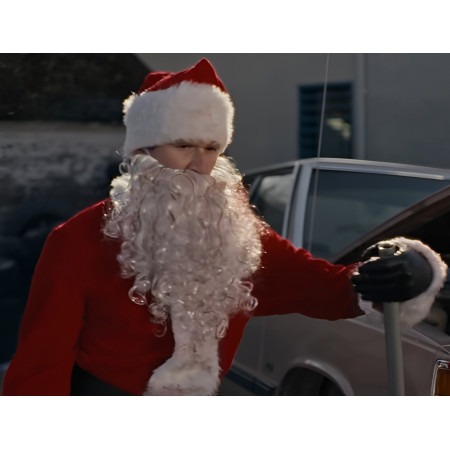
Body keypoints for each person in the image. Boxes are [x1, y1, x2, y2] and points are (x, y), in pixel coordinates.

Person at [2, 58, 447, 396]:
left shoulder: (236, 234)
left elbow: (326, 288)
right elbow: (41, 361)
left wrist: (405, 271)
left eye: (212, 147)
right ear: (143, 149)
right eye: (183, 145)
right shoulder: (77, 239)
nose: (201, 165)